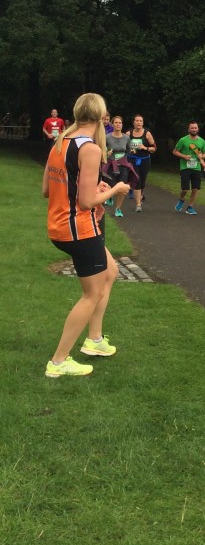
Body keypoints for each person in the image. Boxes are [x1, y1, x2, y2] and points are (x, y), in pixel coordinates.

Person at [42, 92, 130, 377]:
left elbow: (48, 189)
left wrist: (95, 188)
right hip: (78, 228)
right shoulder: (90, 148)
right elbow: (84, 202)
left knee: (111, 271)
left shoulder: (61, 142)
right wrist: (115, 190)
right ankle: (58, 362)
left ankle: (94, 341)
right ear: (102, 117)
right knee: (91, 294)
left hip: (60, 226)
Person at [172, 121, 205, 215]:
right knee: (185, 189)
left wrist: (201, 156)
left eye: (195, 128)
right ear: (189, 129)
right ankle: (181, 199)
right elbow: (175, 151)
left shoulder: (202, 141)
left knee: (195, 189)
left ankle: (190, 207)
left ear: (198, 129)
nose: (194, 129)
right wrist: (184, 156)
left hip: (196, 167)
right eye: (192, 128)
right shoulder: (183, 140)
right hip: (185, 167)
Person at [104, 116, 134, 217]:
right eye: (116, 123)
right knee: (111, 185)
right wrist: (107, 153)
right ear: (112, 124)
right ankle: (110, 196)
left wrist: (131, 151)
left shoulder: (126, 137)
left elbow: (129, 150)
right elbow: (102, 151)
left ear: (122, 125)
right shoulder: (107, 137)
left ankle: (118, 209)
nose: (118, 124)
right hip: (111, 164)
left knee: (122, 186)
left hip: (123, 164)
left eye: (120, 123)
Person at [126, 114, 156, 212]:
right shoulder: (128, 134)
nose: (139, 123)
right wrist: (130, 150)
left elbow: (154, 148)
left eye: (140, 121)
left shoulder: (147, 134)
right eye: (137, 121)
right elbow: (124, 147)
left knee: (142, 181)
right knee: (137, 179)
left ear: (142, 123)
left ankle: (141, 193)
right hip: (132, 159)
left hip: (145, 160)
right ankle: (138, 204)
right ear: (133, 122)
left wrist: (145, 148)